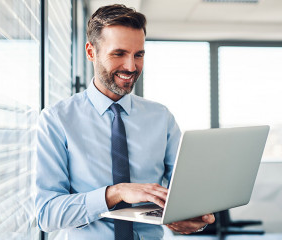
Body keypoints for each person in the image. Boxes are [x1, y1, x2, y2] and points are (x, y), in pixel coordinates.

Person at [35, 4, 215, 240]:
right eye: (118, 53)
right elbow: (47, 215)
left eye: (138, 54)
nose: (131, 67)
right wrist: (116, 193)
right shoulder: (56, 120)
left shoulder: (161, 118)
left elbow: (184, 196)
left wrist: (193, 218)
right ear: (91, 52)